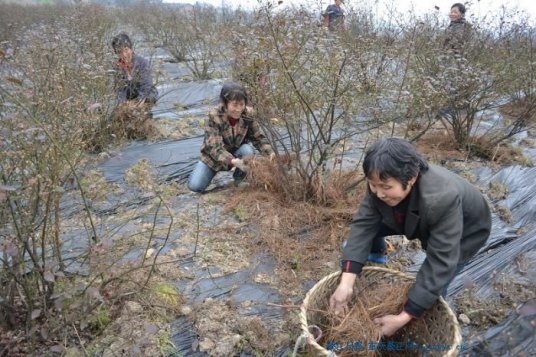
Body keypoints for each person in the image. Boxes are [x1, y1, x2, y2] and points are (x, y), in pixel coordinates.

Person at [329, 138, 491, 337]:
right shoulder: (380, 181)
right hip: (411, 213)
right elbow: (363, 225)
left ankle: (425, 317)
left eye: (385, 187)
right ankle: (378, 255)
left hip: (467, 230)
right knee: (362, 238)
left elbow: (440, 262)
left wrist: (403, 317)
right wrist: (346, 284)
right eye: (373, 185)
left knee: (439, 279)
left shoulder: (440, 198)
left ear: (412, 178)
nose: (378, 193)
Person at [187, 82, 275, 193]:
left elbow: (258, 138)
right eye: (234, 105)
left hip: (238, 152)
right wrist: (233, 161)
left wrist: (270, 153)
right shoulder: (214, 116)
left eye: (241, 104)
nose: (238, 109)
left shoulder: (248, 114)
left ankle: (239, 178)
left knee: (247, 150)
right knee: (195, 186)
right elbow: (214, 148)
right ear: (224, 103)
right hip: (213, 159)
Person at [112, 33, 158, 106]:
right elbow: (120, 90)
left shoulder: (142, 63)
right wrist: (121, 103)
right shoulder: (117, 68)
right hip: (128, 98)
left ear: (131, 48)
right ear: (116, 54)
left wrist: (139, 101)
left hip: (145, 96)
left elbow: (146, 87)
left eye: (126, 50)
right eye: (119, 52)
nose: (124, 55)